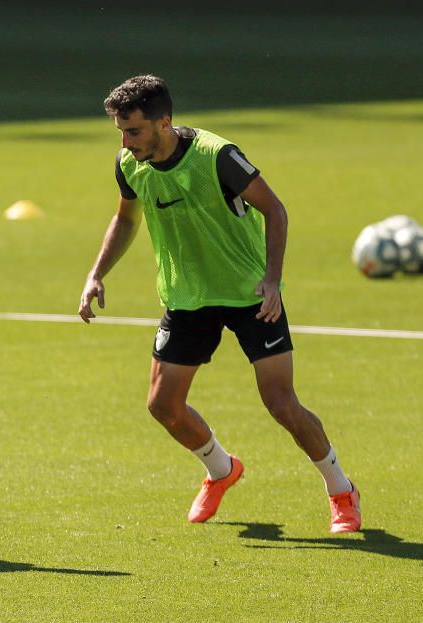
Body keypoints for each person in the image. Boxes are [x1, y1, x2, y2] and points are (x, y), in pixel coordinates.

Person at [79, 75, 361, 533]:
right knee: (163, 406)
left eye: (133, 131)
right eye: (120, 133)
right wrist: (96, 274)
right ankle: (221, 469)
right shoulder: (130, 165)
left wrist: (272, 280)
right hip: (189, 298)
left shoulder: (218, 157)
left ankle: (341, 491)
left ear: (164, 123)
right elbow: (125, 219)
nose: (125, 142)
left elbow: (275, 210)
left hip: (249, 294)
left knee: (281, 403)